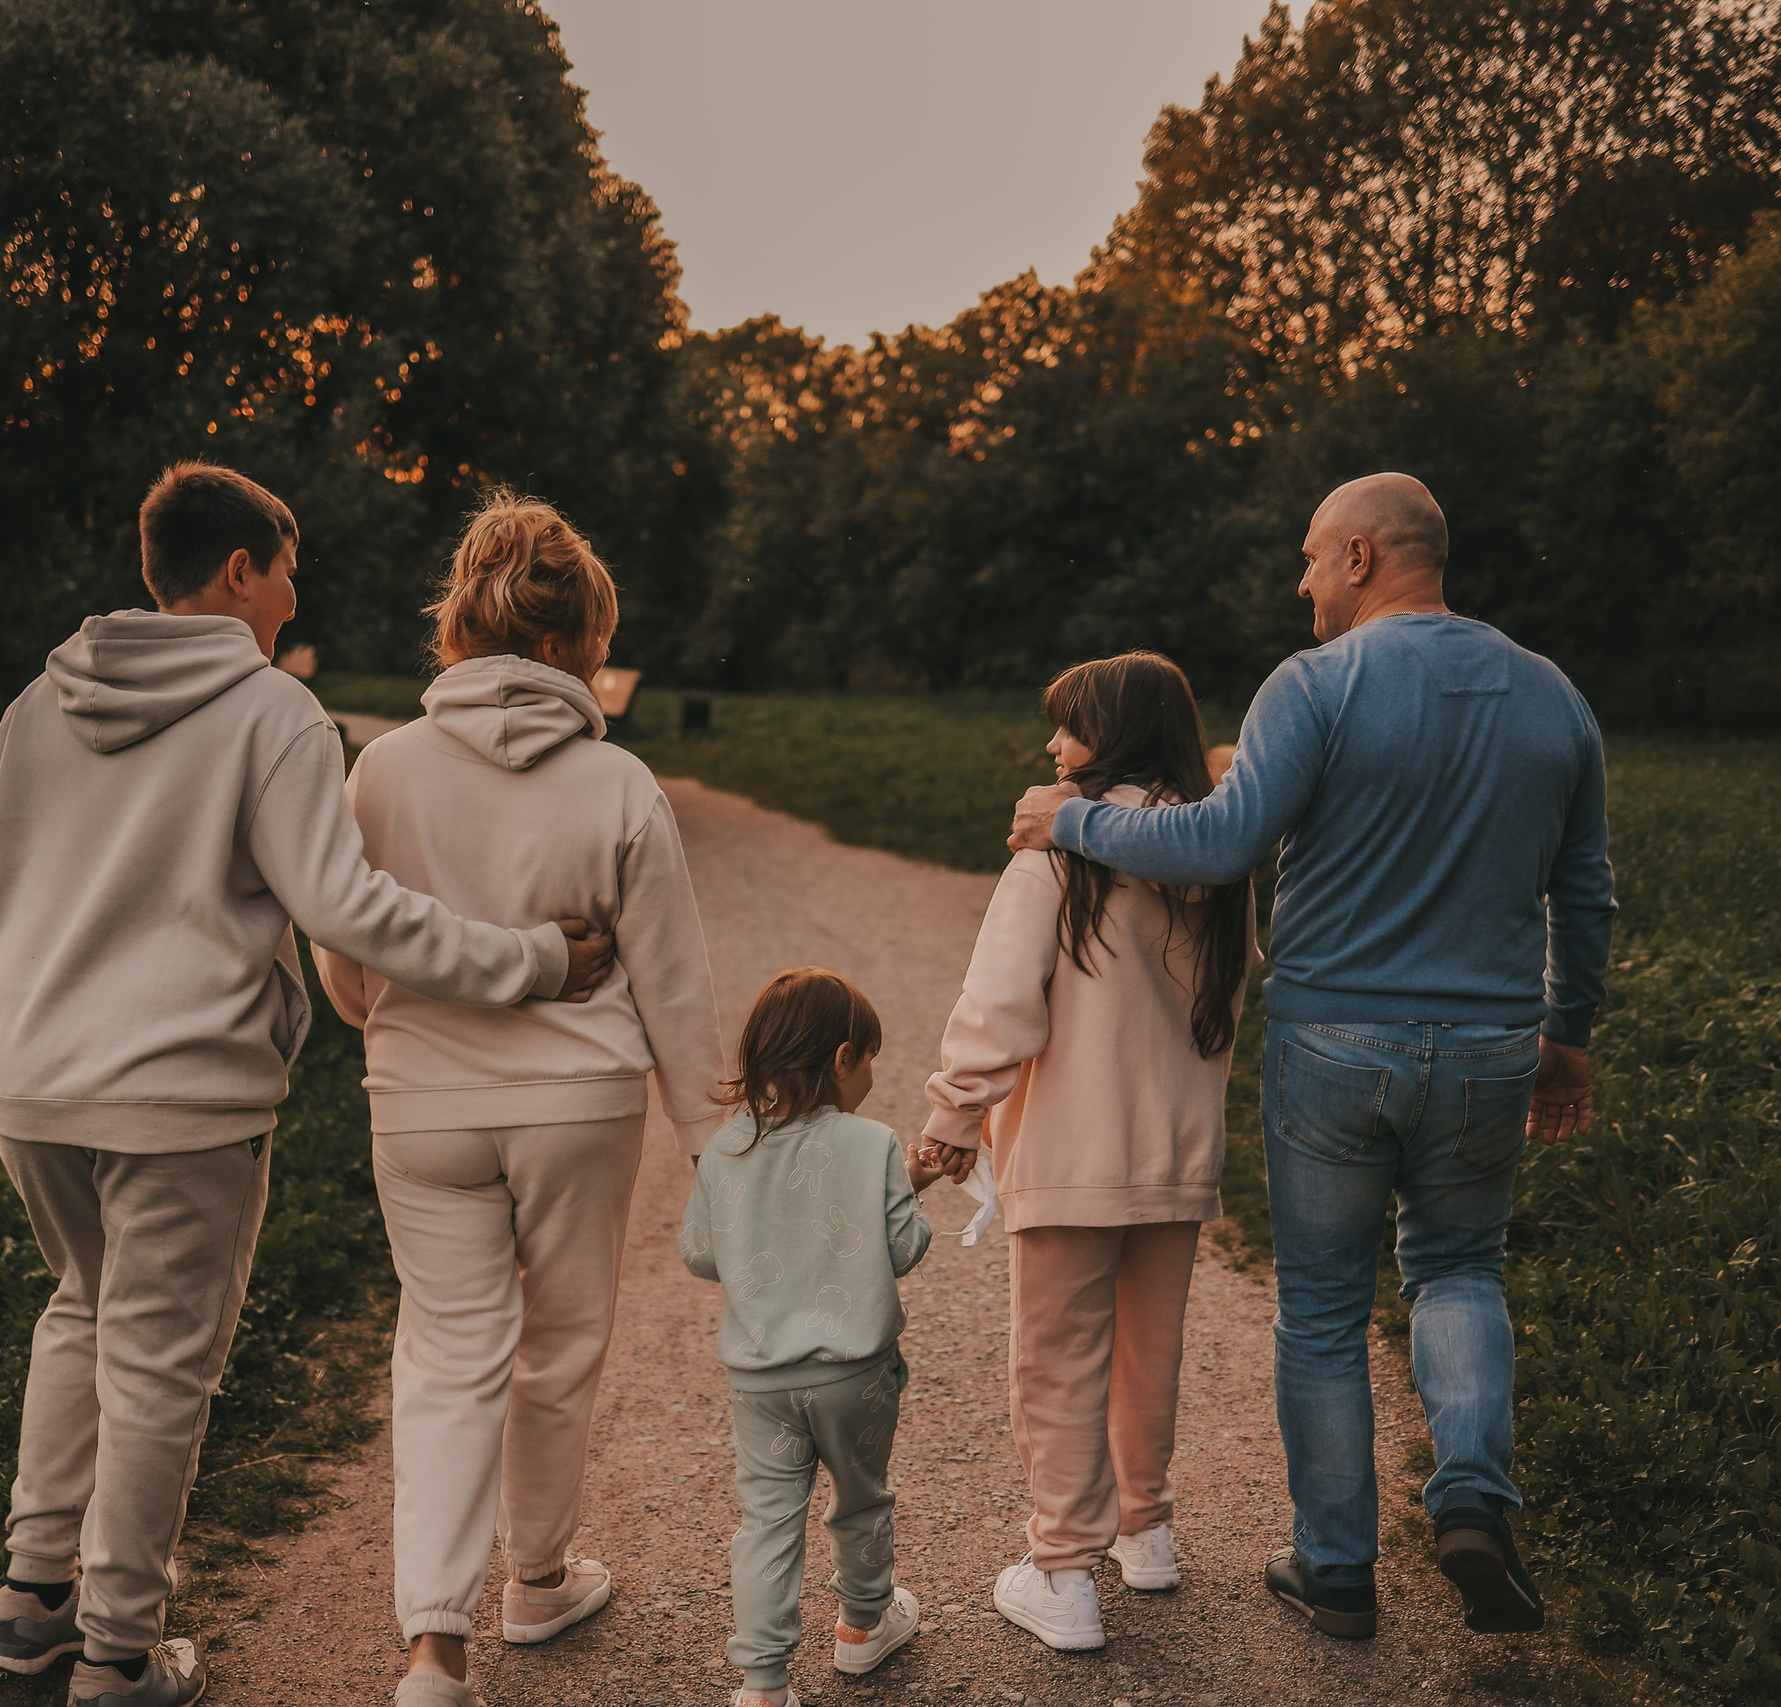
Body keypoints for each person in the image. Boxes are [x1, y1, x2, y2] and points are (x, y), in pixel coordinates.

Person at [0, 462, 616, 1707]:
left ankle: (28, 1605)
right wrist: (532, 959)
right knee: (156, 1363)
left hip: (30, 1082)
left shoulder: (40, 701)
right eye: (287, 570)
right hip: (177, 1092)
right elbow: (347, 909)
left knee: (81, 1313)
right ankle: (118, 1655)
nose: (294, 596)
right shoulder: (269, 714)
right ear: (239, 570)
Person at [1008, 472, 1613, 1642]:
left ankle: (1336, 1571)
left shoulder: (1318, 685)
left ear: (1358, 557)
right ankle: (1474, 1502)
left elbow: (1218, 846)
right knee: (1458, 1269)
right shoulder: (1552, 697)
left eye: (1307, 559)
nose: (1298, 583)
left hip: (1335, 1043)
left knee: (1326, 1309)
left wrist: (1067, 819)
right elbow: (1583, 890)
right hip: (1492, 1043)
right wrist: (1567, 1039)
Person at [311, 493, 726, 1707]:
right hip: (580, 1106)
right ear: (574, 644)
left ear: (461, 626)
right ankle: (537, 1584)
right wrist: (714, 1139)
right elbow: (676, 984)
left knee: (445, 1354)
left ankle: (433, 1646)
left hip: (423, 1101)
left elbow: (347, 964)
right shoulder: (619, 785)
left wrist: (388, 1021)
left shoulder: (379, 768)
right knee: (558, 1348)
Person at [918, 651, 1256, 1652]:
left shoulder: (1054, 854)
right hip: (1174, 1155)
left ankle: (1063, 1568)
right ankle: (1142, 1530)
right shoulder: (1219, 866)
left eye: (1067, 728)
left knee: (1059, 1358)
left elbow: (1000, 1003)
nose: (1051, 747)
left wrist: (950, 1119)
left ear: (1112, 737)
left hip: (1071, 1155)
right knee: (1149, 1352)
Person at [679, 968, 939, 1707]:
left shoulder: (725, 1147)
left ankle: (763, 1684)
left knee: (768, 1518)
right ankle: (862, 1626)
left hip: (761, 1379)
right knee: (860, 1498)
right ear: (844, 1056)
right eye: (871, 1058)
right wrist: (912, 1191)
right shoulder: (872, 1142)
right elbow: (901, 1247)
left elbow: (700, 1253)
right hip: (855, 1373)